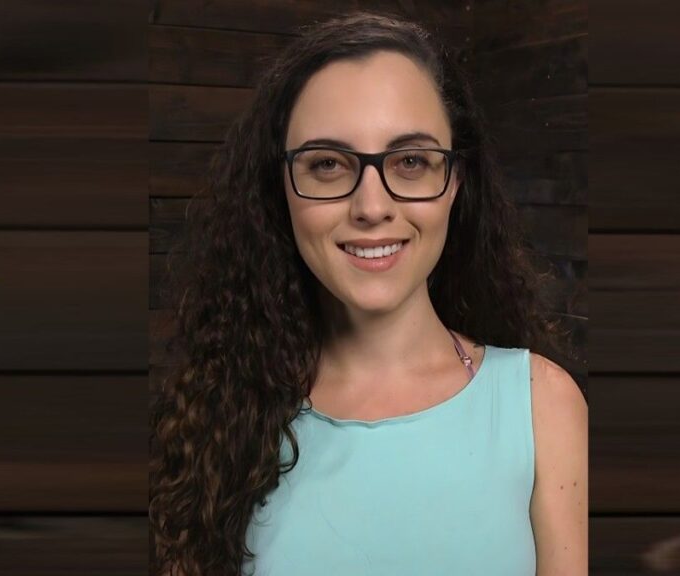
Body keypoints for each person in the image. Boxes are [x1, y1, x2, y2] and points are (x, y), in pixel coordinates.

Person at [150, 12, 588, 576]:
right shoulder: (220, 415)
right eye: (329, 164)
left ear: (455, 180)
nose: (372, 206)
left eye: (410, 161)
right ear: (279, 187)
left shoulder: (543, 407)